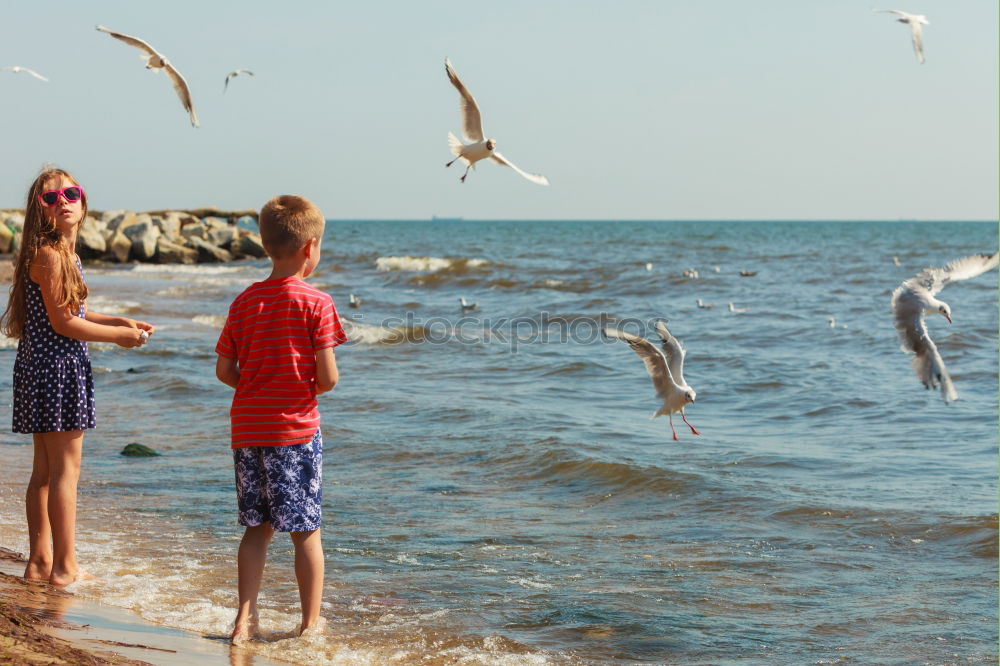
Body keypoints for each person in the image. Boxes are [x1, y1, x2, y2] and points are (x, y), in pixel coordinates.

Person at [1, 167, 154, 587]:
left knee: (45, 473)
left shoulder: (64, 254)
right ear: (39, 211)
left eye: (70, 194)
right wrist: (119, 338)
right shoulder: (50, 255)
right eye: (51, 198)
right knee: (64, 473)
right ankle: (65, 567)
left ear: (83, 202)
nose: (63, 202)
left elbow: (76, 313)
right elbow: (66, 324)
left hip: (42, 368)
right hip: (58, 371)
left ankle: (39, 562)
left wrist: (119, 320)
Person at [215, 194, 346, 642]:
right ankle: (310, 623)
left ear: (265, 244)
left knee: (257, 529)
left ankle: (243, 620)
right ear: (310, 248)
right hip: (294, 433)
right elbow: (327, 378)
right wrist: (296, 390)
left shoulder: (244, 301)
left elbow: (224, 371)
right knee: (306, 532)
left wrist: (259, 390)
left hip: (247, 431)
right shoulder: (317, 303)